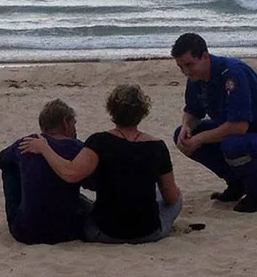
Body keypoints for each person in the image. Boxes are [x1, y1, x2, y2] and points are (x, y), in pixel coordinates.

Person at [20, 85, 182, 244]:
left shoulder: (99, 141)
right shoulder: (158, 146)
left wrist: (44, 148)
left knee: (80, 199)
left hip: (102, 232)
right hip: (148, 232)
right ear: (143, 112)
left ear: (111, 110)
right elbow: (171, 197)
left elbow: (71, 174)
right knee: (174, 197)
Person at [171, 33, 257, 213]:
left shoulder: (232, 73)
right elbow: (193, 110)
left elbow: (239, 126)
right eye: (180, 66)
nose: (185, 71)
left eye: (189, 65)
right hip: (244, 135)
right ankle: (237, 182)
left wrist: (199, 140)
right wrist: (186, 127)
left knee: (232, 143)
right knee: (181, 135)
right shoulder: (195, 79)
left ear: (205, 56)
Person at [0, 99, 91, 245]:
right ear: (65, 123)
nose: (75, 128)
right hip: (68, 231)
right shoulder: (78, 148)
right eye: (73, 123)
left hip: (26, 232)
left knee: (10, 167)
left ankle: (23, 211)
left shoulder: (27, 142)